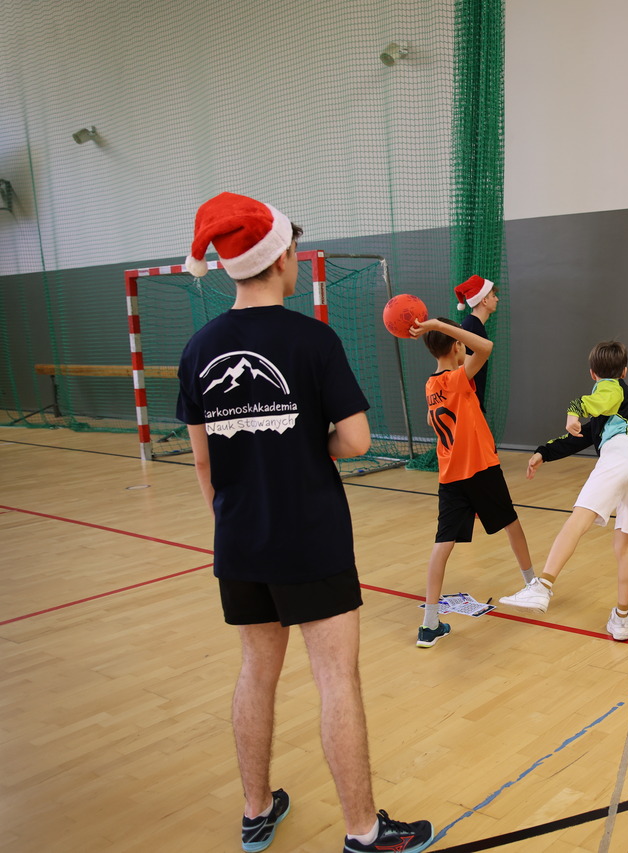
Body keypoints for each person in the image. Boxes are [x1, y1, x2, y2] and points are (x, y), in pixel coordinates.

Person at [175, 192, 436, 853]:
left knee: (255, 672)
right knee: (336, 678)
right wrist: (302, 449)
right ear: (281, 258)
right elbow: (355, 439)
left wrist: (234, 515)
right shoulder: (313, 339)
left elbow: (203, 461)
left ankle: (255, 810)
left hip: (239, 540)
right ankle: (363, 831)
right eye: (294, 249)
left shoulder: (199, 347)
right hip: (312, 538)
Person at [498, 340, 628, 642]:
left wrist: (573, 409)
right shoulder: (612, 410)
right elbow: (581, 436)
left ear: (593, 374)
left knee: (577, 521)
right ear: (625, 369)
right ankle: (621, 619)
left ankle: (542, 587)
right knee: (624, 545)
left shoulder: (611, 389)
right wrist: (544, 452)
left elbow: (592, 402)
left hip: (623, 454)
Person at [408, 314, 536, 648]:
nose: (466, 347)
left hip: (450, 476)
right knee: (511, 523)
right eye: (461, 343)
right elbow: (487, 347)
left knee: (442, 544)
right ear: (455, 346)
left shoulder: (431, 385)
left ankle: (429, 624)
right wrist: (438, 325)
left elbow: (432, 419)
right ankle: (532, 584)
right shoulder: (456, 378)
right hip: (479, 468)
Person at [453, 274, 500, 412]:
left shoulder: (475, 325)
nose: (497, 299)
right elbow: (461, 366)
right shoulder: (471, 326)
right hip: (468, 403)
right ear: (484, 300)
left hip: (473, 402)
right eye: (493, 296)